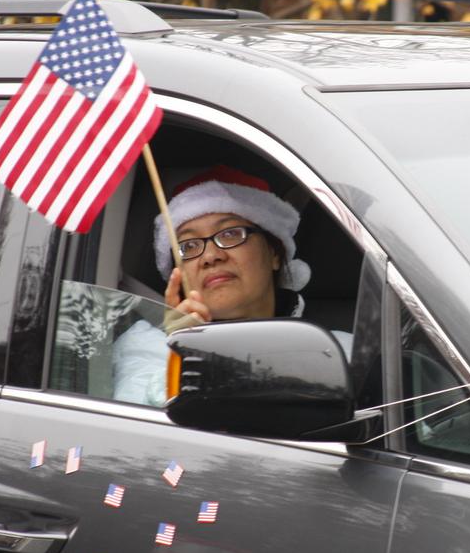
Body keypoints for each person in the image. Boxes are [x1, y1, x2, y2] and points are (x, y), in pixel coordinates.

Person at [113, 165, 324, 406]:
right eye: (189, 246)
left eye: (230, 233)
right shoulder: (147, 348)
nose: (210, 256)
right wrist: (187, 354)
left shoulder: (338, 352)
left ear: (275, 253)